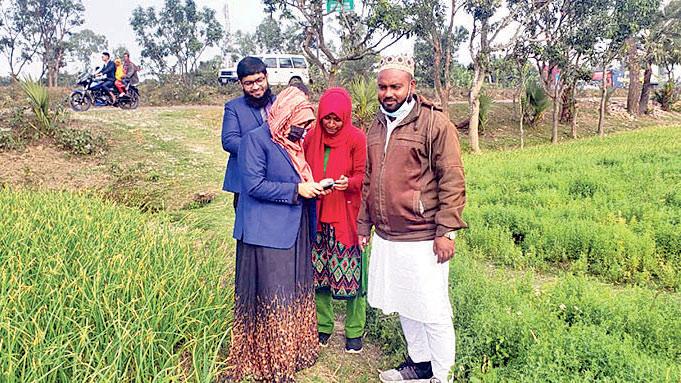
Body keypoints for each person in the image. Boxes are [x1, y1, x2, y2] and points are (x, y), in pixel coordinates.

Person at [357, 55, 467, 383]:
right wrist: (364, 223)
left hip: (423, 235)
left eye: (395, 86)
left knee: (433, 309)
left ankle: (442, 375)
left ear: (411, 86)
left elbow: (452, 178)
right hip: (389, 235)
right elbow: (368, 177)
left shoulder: (435, 124)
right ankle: (420, 365)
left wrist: (447, 230)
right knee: (406, 302)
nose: (387, 93)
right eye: (382, 86)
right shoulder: (376, 125)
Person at [227, 86, 325, 383]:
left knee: (292, 289)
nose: (305, 130)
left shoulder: (292, 143)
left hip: (293, 226)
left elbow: (295, 176)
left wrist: (314, 186)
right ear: (285, 115)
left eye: (309, 124)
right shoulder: (256, 141)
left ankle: (293, 352)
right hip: (265, 231)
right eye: (301, 123)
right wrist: (297, 190)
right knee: (274, 294)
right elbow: (253, 186)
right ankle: (271, 362)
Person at [303, 87, 368, 353]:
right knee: (319, 274)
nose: (331, 124)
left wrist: (348, 182)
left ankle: (354, 330)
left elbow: (364, 176)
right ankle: (323, 326)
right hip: (316, 216)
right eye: (326, 119)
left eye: (336, 119)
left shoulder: (356, 138)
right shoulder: (311, 138)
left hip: (345, 217)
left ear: (346, 117)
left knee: (352, 275)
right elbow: (301, 168)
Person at [221, 56, 275, 211]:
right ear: (241, 84)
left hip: (276, 179)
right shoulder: (233, 107)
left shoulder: (280, 103)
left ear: (266, 77)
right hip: (245, 181)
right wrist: (262, 149)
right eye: (249, 83)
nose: (256, 87)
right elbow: (229, 141)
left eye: (260, 80)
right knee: (246, 232)